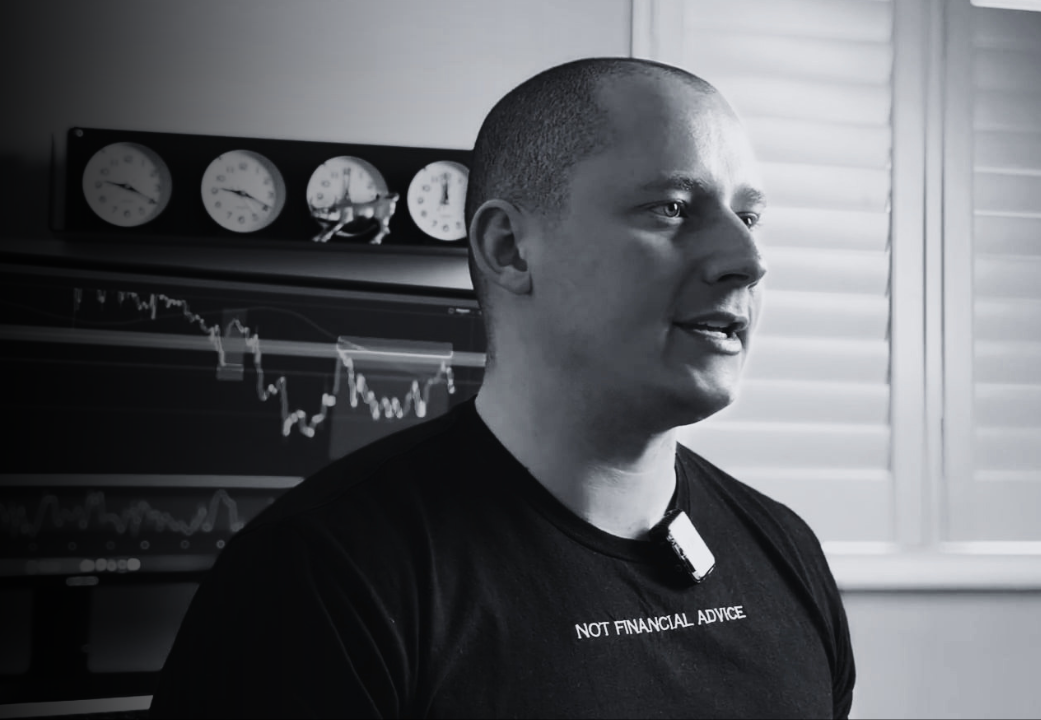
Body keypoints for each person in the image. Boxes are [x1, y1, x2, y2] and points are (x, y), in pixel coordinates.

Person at [151, 57, 855, 719]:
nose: (748, 259)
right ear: (509, 249)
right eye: (672, 208)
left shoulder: (785, 550)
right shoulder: (318, 579)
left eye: (749, 217)